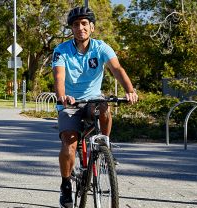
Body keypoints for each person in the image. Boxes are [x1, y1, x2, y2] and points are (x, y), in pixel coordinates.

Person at [52, 6, 138, 208]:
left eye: (84, 24)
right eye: (76, 24)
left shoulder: (101, 47)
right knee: (70, 144)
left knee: (104, 107)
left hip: (92, 100)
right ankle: (65, 185)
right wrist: (62, 96)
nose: (80, 27)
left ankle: (104, 146)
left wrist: (130, 90)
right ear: (71, 29)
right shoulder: (61, 50)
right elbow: (59, 76)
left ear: (92, 27)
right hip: (70, 103)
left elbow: (117, 69)